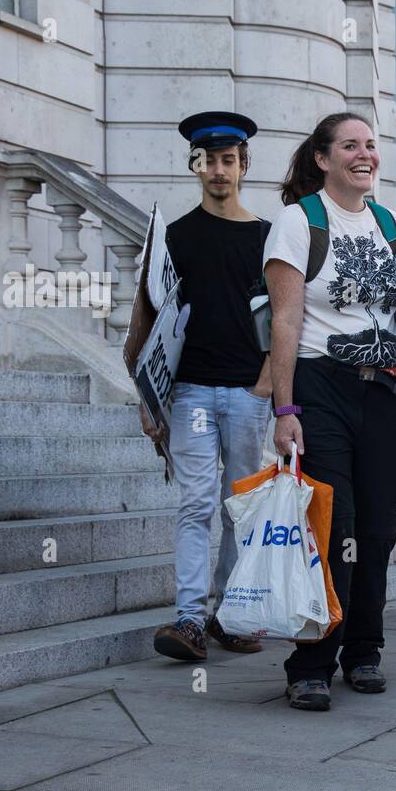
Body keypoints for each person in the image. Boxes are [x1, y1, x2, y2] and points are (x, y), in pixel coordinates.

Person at [262, 113, 396, 711]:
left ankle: (364, 652)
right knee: (332, 526)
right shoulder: (299, 221)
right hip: (320, 387)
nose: (365, 154)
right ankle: (309, 662)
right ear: (324, 159)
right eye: (350, 145)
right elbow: (285, 320)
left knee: (379, 528)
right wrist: (285, 409)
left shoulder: (391, 224)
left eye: (371, 146)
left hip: (384, 391)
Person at [146, 111, 274, 662]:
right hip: (192, 392)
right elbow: (151, 319)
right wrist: (150, 399)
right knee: (196, 503)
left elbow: (283, 321)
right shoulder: (176, 236)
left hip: (249, 393)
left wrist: (268, 389)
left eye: (228, 160)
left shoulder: (268, 239)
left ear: (244, 165)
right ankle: (189, 621)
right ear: (195, 167)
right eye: (208, 161)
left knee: (237, 509)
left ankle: (229, 613)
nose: (218, 171)